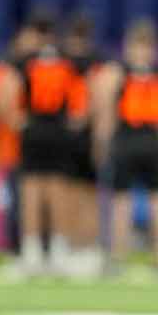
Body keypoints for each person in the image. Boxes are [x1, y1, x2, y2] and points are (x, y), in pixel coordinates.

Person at [93, 19, 158, 273]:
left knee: (122, 200)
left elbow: (106, 115)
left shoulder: (115, 73)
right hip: (153, 141)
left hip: (126, 140)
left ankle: (118, 257)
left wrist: (101, 144)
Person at [11, 11, 78, 275]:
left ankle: (32, 251)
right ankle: (59, 251)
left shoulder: (24, 61)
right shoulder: (67, 61)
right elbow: (80, 97)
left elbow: (8, 90)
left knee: (31, 191)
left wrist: (17, 120)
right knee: (58, 191)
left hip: (34, 129)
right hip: (59, 130)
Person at [61, 14, 104, 277]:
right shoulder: (97, 64)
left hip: (69, 133)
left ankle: (74, 247)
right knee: (88, 196)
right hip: (87, 134)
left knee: (72, 194)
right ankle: (87, 249)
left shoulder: (63, 62)